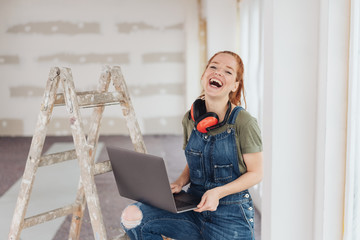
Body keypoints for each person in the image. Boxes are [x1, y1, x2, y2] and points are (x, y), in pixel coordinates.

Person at [120, 50, 263, 240]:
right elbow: (197, 158)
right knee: (132, 217)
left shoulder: (243, 122)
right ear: (204, 76)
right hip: (193, 207)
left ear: (235, 85)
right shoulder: (190, 119)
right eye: (213, 67)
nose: (218, 72)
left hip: (230, 217)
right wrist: (180, 181)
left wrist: (218, 192)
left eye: (228, 71)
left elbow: (256, 173)